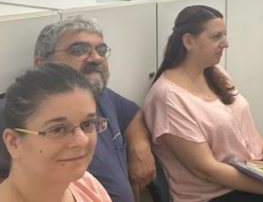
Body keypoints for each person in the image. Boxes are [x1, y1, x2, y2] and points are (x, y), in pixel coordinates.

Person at [144, 5, 263, 202]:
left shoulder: (215, 72)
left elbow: (244, 125)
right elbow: (206, 170)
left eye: (225, 35)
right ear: (188, 41)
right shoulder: (167, 98)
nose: (226, 43)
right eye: (216, 36)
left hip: (251, 166)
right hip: (213, 192)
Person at [0, 15, 156, 202]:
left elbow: (133, 114)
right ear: (42, 65)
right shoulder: (16, 110)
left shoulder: (100, 96)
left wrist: (139, 146)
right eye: (79, 50)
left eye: (101, 50)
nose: (96, 58)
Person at [0, 63, 112, 201]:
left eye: (87, 124)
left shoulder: (88, 186)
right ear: (13, 142)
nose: (82, 140)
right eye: (58, 129)